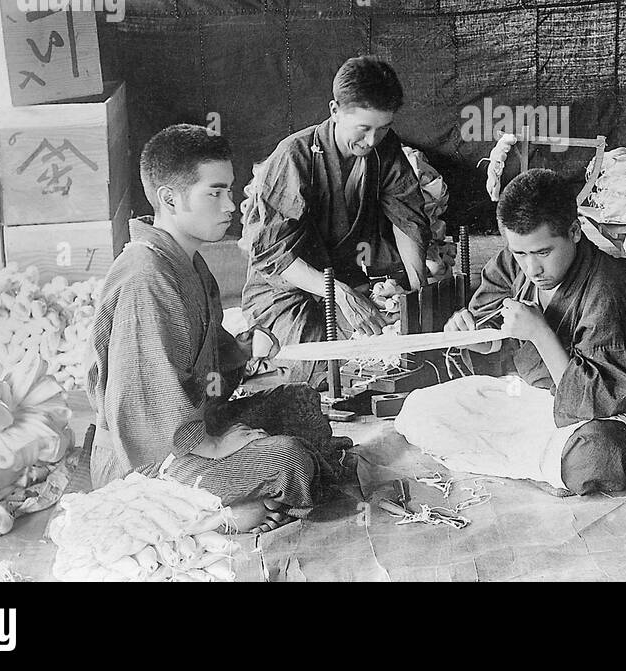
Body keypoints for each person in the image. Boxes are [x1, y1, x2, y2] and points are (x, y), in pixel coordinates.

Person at [87, 125, 351, 532]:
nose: (231, 205)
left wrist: (246, 348)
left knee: (299, 403)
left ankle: (258, 501)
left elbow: (210, 357)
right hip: (147, 463)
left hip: (194, 428)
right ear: (169, 198)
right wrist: (212, 445)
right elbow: (144, 408)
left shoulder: (189, 263)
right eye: (215, 192)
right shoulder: (146, 276)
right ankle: (229, 516)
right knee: (289, 461)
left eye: (230, 190)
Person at [424, 169, 626, 495]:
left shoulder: (608, 289)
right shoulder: (513, 262)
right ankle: (535, 465)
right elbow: (491, 328)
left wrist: (541, 334)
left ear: (575, 231)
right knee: (425, 406)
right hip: (532, 402)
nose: (532, 269)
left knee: (595, 455)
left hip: (591, 418)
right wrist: (472, 335)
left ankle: (531, 462)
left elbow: (601, 399)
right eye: (520, 253)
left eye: (543, 253)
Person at [240, 56, 432, 384]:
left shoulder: (384, 148)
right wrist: (338, 294)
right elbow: (272, 253)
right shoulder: (293, 156)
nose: (372, 141)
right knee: (320, 371)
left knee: (388, 345)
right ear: (334, 111)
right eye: (364, 129)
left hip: (347, 276)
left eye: (383, 128)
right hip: (286, 288)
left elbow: (406, 216)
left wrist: (417, 291)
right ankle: (256, 344)